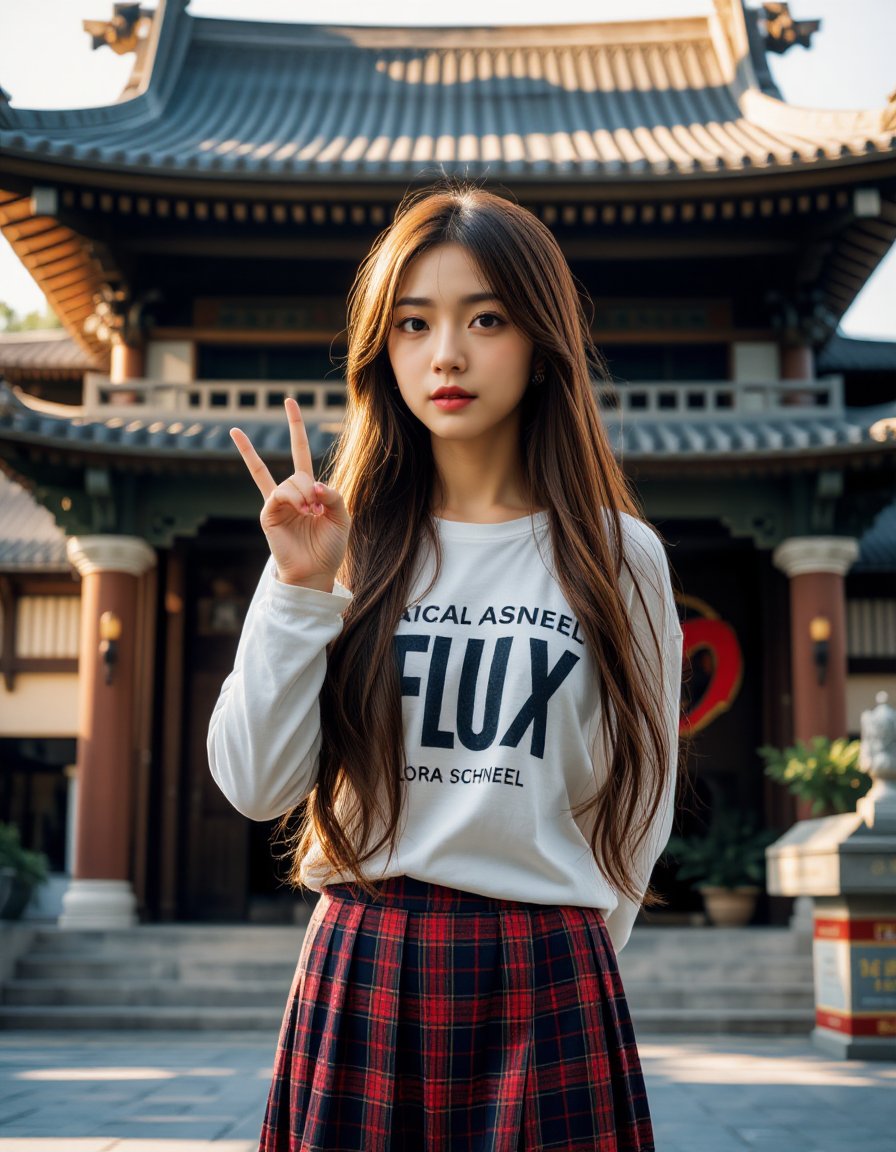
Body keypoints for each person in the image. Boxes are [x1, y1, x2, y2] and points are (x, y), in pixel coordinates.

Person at [208, 182, 684, 1152]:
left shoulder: (613, 553)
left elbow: (641, 796)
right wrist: (299, 586)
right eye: (413, 324)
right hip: (363, 955)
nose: (447, 355)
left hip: (546, 965)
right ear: (381, 350)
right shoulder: (341, 542)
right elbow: (256, 785)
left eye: (486, 319)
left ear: (541, 343)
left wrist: (570, 943)